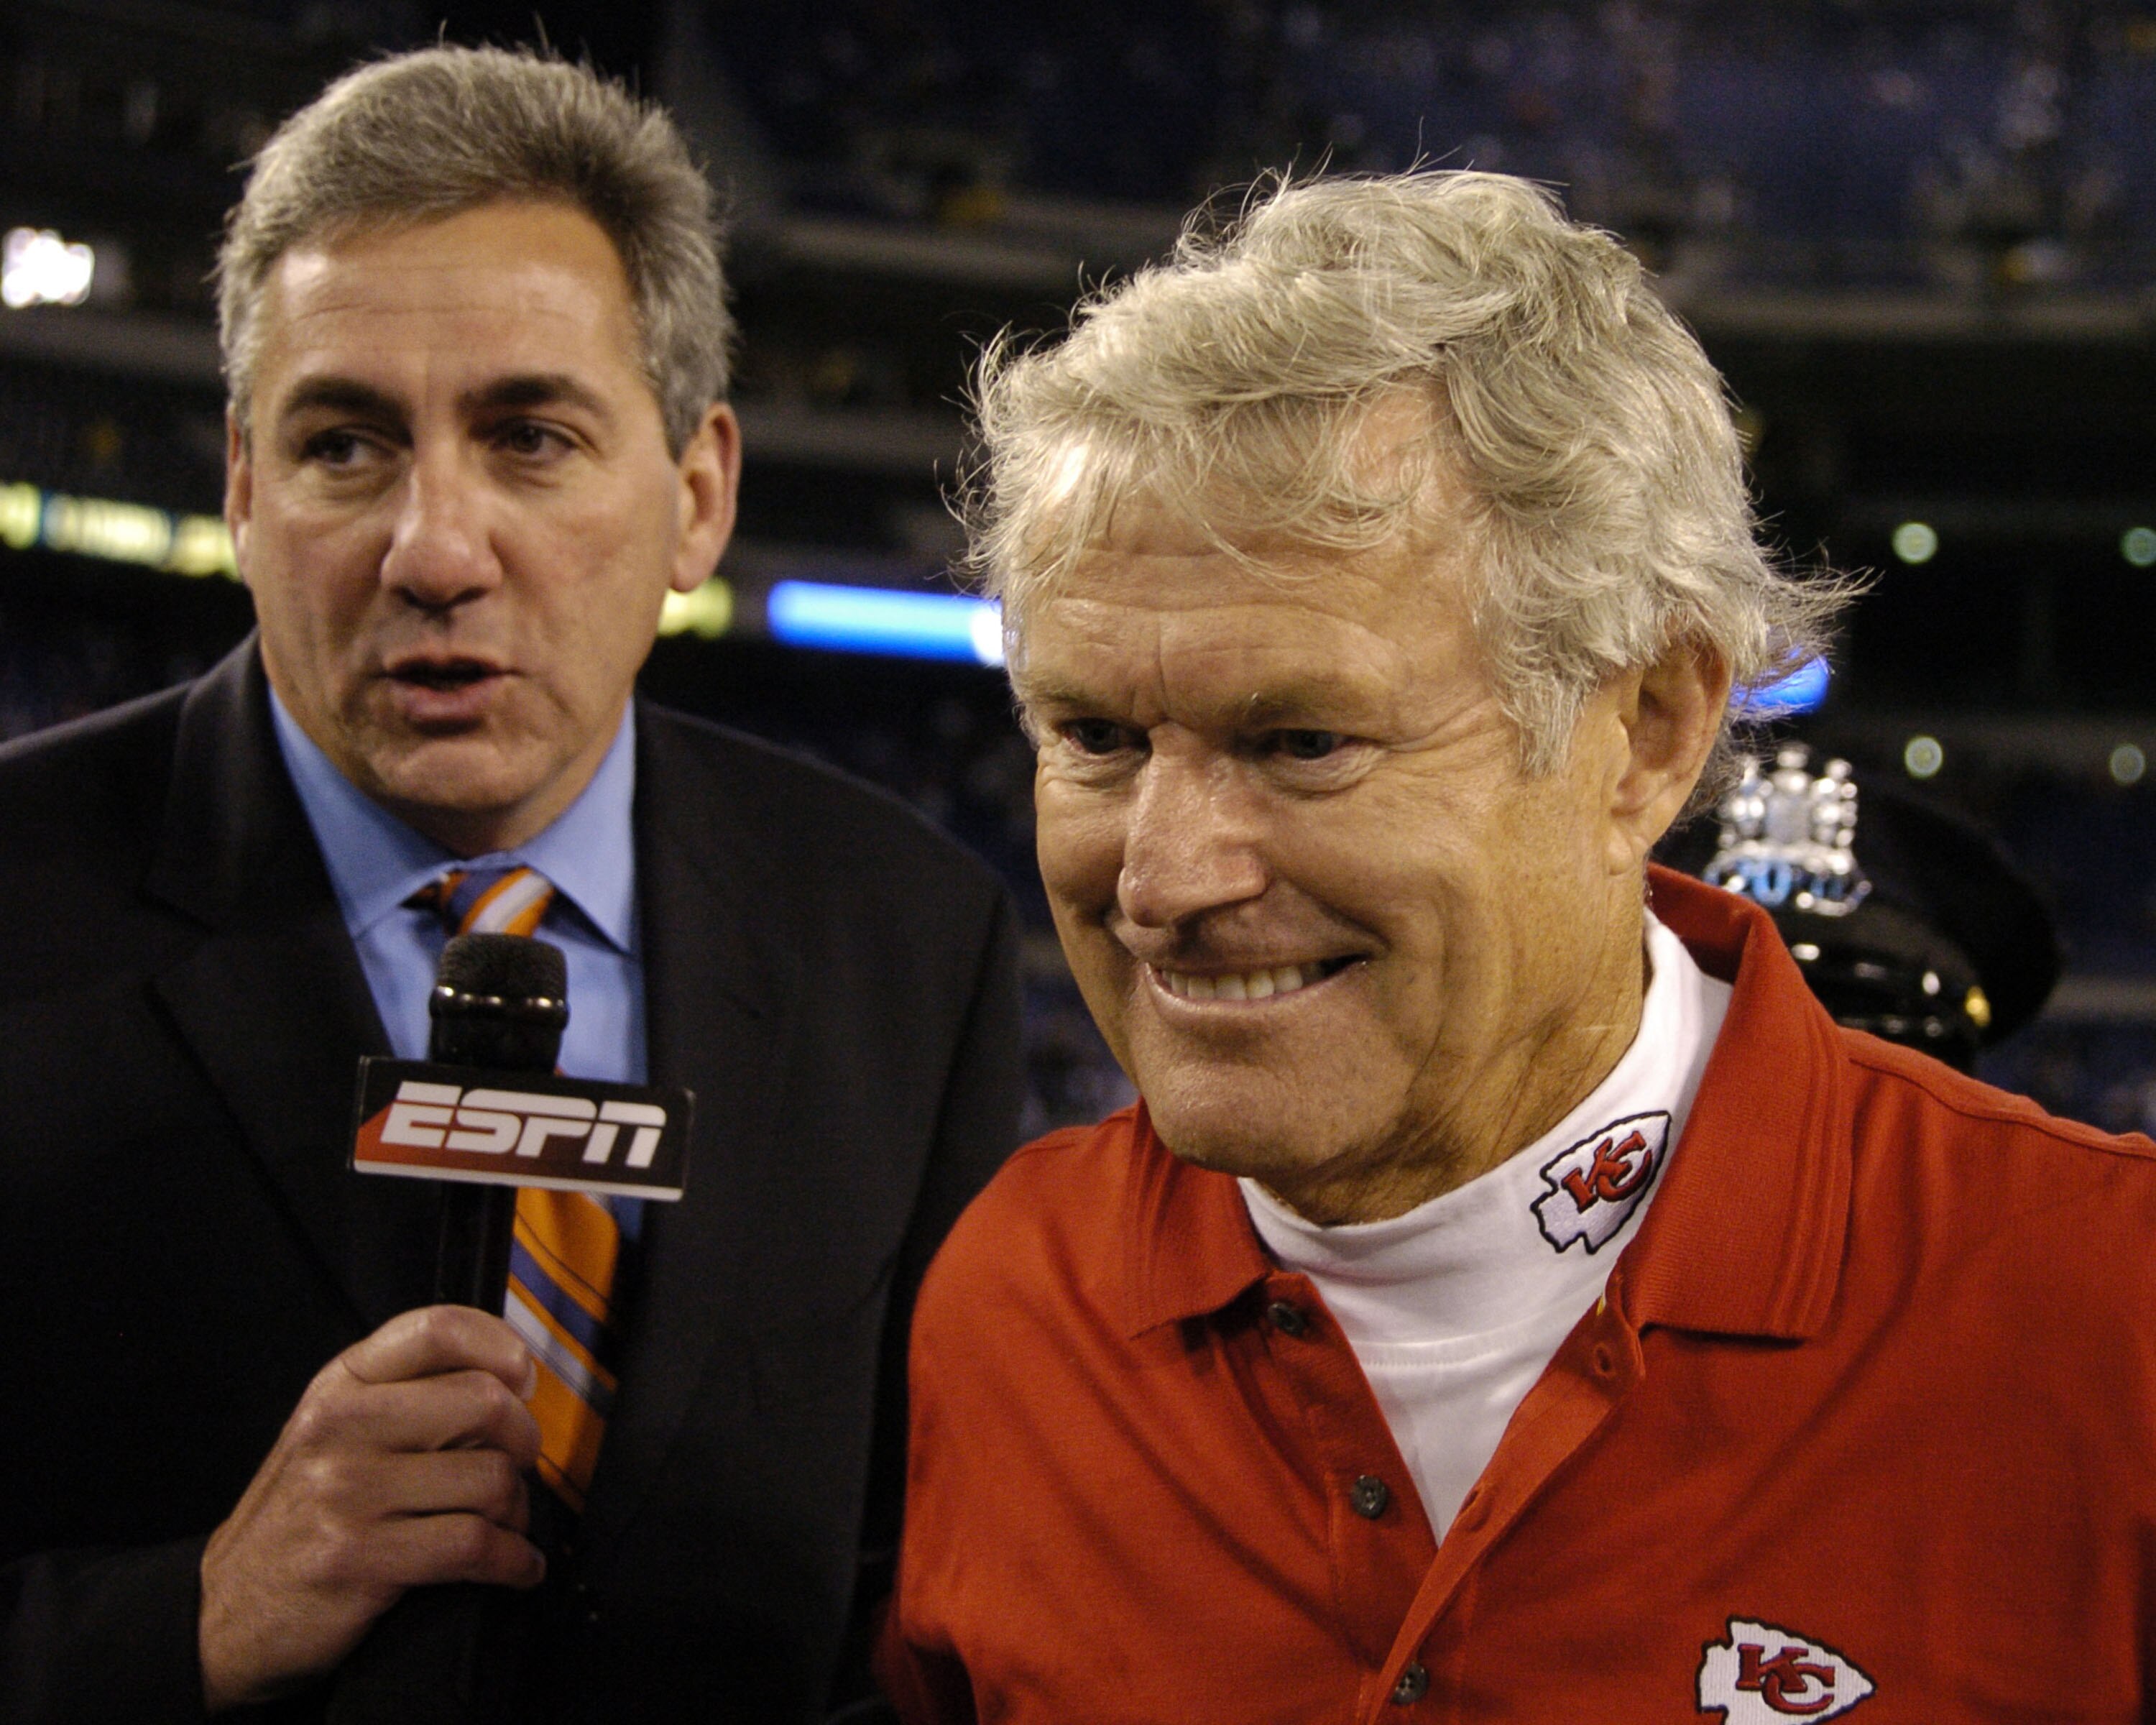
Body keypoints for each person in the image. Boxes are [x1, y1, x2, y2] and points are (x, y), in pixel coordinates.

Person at [877, 170, 2156, 1724]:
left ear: (1648, 734)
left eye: (1300, 740)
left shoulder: (2103, 1320)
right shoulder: (1015, 1293)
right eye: (1093, 735)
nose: (1161, 877)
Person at [0, 46, 1023, 1724]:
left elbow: (931, 1600)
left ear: (696, 496)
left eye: (531, 436)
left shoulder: (905, 944)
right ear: (246, 491)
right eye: (345, 446)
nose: (435, 549)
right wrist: (187, 1616)